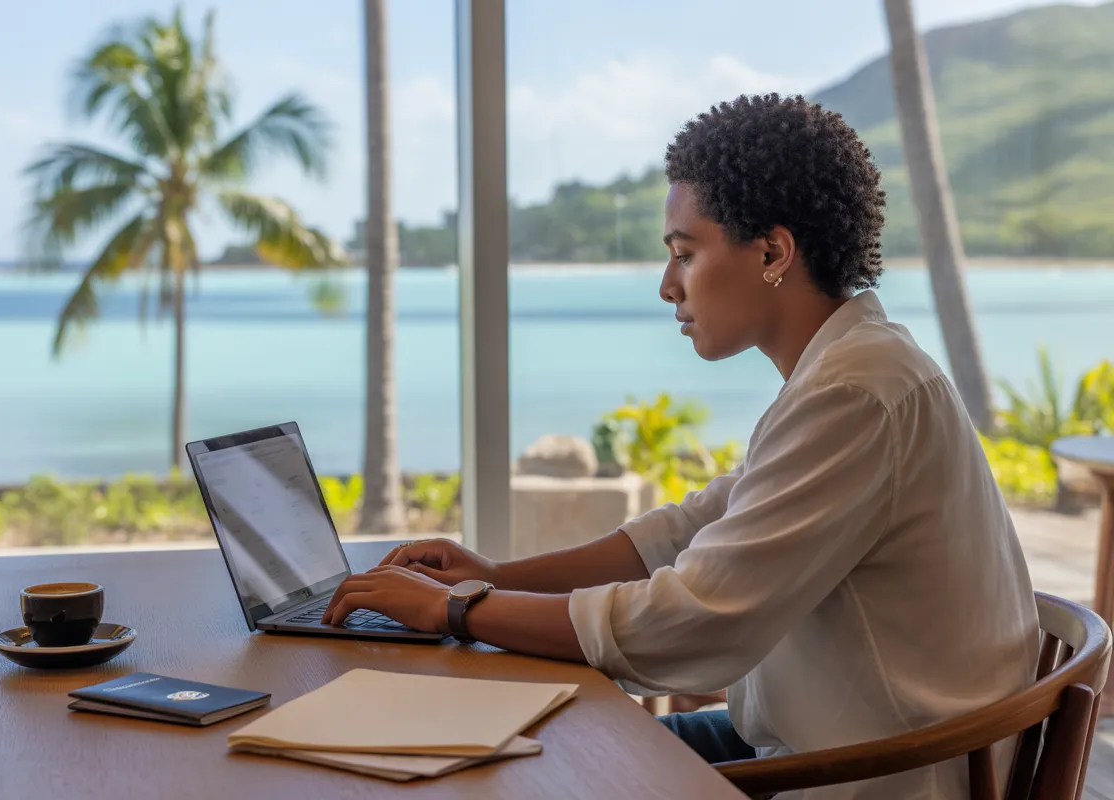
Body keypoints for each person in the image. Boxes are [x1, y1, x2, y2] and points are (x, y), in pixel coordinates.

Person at [322, 93, 1039, 799]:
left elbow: (693, 621)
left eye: (684, 254)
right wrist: (498, 575)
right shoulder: (850, 368)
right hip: (828, 741)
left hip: (872, 774)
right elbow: (686, 530)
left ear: (772, 251)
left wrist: (456, 609)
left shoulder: (855, 394)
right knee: (535, 752)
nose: (668, 286)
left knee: (527, 770)